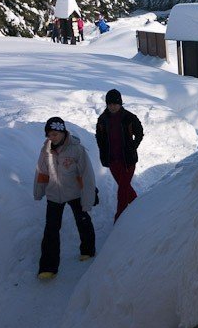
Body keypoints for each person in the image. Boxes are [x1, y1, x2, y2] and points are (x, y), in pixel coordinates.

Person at [34, 116, 96, 280]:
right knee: (51, 230)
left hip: (74, 192)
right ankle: (48, 266)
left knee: (82, 221)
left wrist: (88, 198)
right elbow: (41, 171)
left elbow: (87, 174)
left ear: (62, 133)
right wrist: (39, 191)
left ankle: (88, 249)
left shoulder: (76, 149)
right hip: (54, 193)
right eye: (49, 134)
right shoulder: (45, 149)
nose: (51, 138)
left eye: (55, 134)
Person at [95, 89, 144, 222]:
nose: (112, 106)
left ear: (120, 103)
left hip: (128, 160)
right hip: (112, 161)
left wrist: (132, 147)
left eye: (115, 103)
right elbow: (99, 139)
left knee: (122, 191)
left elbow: (139, 133)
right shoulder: (102, 120)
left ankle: (119, 218)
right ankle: (140, 208)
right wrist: (103, 155)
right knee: (126, 188)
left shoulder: (129, 117)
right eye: (110, 104)